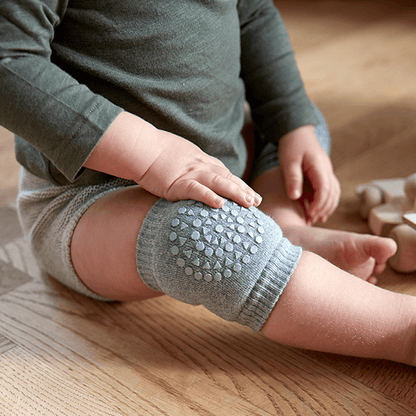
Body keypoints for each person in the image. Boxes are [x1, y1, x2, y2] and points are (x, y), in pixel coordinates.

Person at [0, 0, 415, 366]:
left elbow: (252, 15)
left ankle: (283, 228)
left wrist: (293, 122)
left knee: (297, 122)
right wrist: (154, 155)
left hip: (220, 160)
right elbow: (9, 63)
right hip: (88, 199)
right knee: (199, 235)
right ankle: (401, 330)